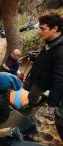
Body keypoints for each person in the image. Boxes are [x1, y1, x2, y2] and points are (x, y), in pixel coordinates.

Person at [23, 12, 63, 141]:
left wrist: (53, 103)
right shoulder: (50, 40)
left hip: (43, 82)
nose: (40, 32)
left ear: (55, 28)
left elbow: (59, 78)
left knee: (32, 96)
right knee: (30, 93)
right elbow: (47, 58)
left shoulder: (61, 51)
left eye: (43, 28)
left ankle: (34, 104)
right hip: (38, 76)